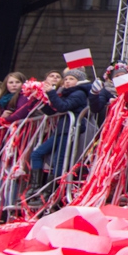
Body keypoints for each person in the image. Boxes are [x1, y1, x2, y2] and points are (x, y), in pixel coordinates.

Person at [26, 69, 90, 206]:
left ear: (79, 81)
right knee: (37, 154)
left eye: (71, 79)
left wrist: (51, 93)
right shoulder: (67, 94)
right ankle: (35, 186)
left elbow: (62, 107)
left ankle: (53, 193)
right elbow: (52, 111)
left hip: (70, 130)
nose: (67, 81)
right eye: (66, 79)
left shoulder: (78, 93)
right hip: (61, 130)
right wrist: (38, 99)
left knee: (59, 162)